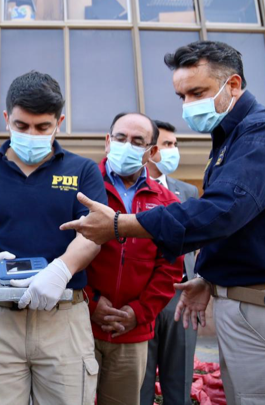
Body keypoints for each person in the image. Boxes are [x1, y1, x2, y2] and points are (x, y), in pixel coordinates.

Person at [61, 41, 265, 405]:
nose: (188, 105)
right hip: (250, 306)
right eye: (182, 96)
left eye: (197, 92)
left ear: (233, 85)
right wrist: (210, 278)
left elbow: (222, 213)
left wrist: (121, 225)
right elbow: (241, 226)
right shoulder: (229, 139)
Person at [0, 71, 107, 405]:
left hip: (64, 319)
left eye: (43, 127)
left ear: (60, 122)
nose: (31, 135)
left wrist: (61, 269)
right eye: (21, 126)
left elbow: (94, 233)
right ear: (6, 118)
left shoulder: (82, 171)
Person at [86, 112, 182, 405]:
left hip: (132, 332)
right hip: (81, 326)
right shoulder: (82, 188)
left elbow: (170, 269)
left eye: (138, 141)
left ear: (152, 152)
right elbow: (61, 250)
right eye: (120, 138)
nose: (127, 146)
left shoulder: (167, 202)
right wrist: (91, 303)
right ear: (107, 141)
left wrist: (138, 313)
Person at [141, 120, 200, 405]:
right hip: (142, 297)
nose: (173, 150)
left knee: (179, 381)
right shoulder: (133, 188)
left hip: (181, 297)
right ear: (151, 150)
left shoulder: (188, 192)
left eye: (175, 144)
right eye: (167, 144)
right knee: (139, 384)